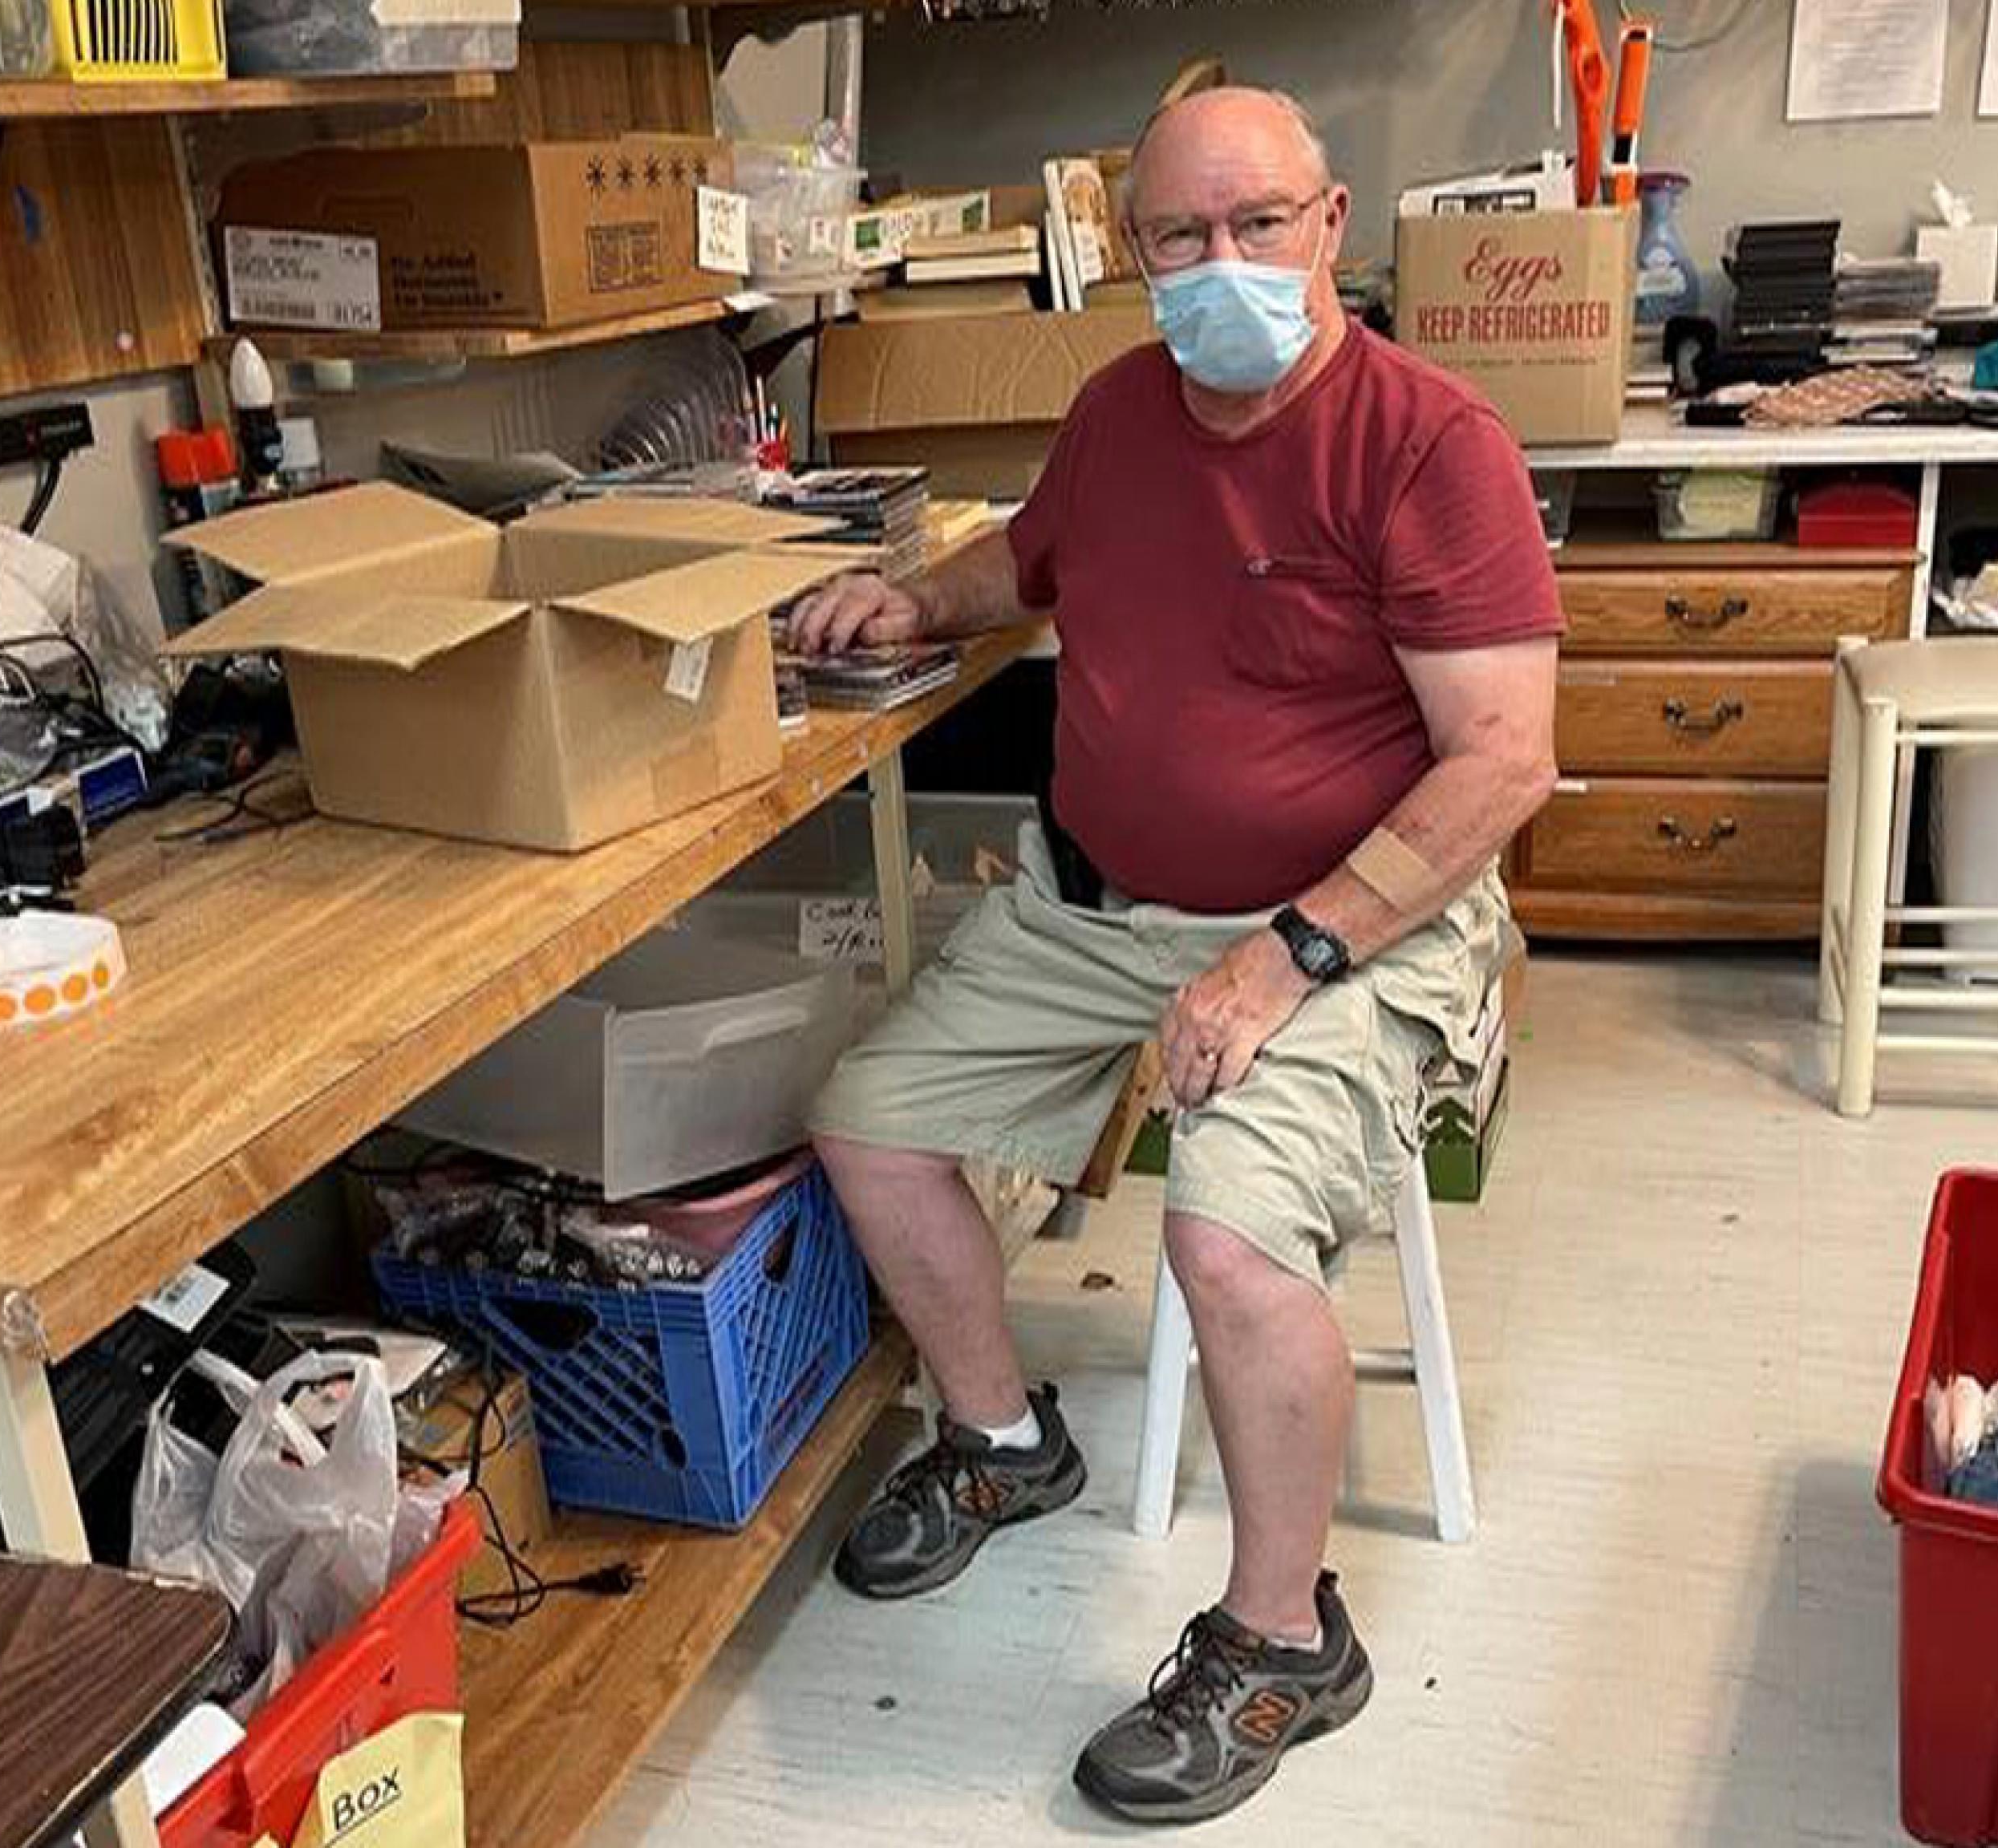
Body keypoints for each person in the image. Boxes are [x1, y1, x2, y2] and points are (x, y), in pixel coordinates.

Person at [787, 85, 1562, 1826]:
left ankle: (1286, 1642)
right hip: (1102, 905)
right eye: (1179, 238)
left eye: (1258, 225)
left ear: (1332, 223)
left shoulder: (1431, 445)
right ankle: (1001, 1444)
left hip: (1351, 924)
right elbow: (1034, 564)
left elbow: (1503, 763)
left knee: (1222, 1239)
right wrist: (917, 598)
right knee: (870, 1119)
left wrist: (1282, 959)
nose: (1223, 266)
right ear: (1131, 251)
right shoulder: (1123, 410)